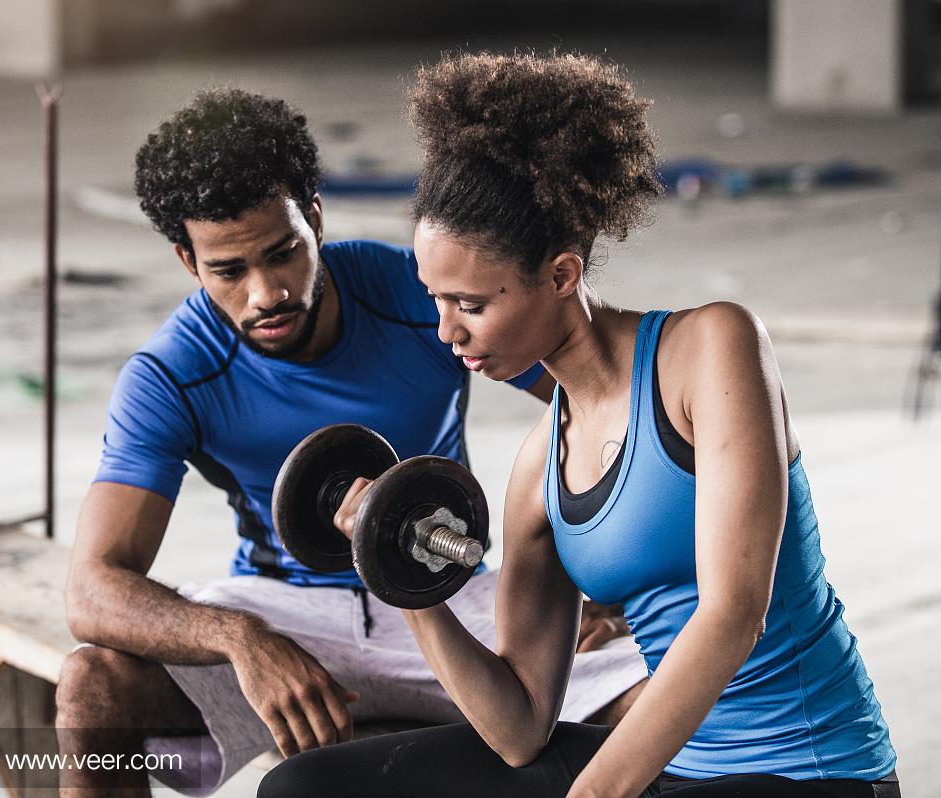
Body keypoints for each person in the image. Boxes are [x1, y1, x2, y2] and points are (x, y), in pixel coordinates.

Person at [259, 53, 899, 798]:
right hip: (671, 772)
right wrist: (399, 573)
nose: (447, 333)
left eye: (471, 305)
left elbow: (734, 616)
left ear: (562, 275)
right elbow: (519, 726)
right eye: (435, 300)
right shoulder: (540, 468)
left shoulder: (709, 350)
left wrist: (592, 795)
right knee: (305, 788)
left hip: (810, 771)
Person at [55, 88, 651, 797]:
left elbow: (606, 405)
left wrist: (600, 578)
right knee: (92, 688)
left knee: (661, 703)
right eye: (229, 270)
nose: (267, 293)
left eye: (283, 254)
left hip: (451, 589)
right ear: (189, 260)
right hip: (286, 611)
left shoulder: (419, 298)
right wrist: (242, 640)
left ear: (314, 218)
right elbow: (92, 589)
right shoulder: (172, 374)